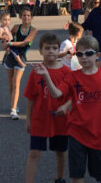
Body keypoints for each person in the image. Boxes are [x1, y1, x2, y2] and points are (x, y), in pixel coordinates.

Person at [32, 36, 101, 183]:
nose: (84, 57)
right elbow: (57, 93)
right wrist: (46, 76)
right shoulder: (73, 77)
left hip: (99, 134)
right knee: (77, 175)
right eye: (79, 54)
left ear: (97, 55)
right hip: (76, 132)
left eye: (88, 53)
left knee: (98, 173)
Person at [24, 34, 72, 183]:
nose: (51, 51)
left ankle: (60, 178)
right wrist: (28, 119)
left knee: (60, 150)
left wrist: (66, 106)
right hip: (40, 118)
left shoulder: (66, 72)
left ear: (59, 50)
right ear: (40, 50)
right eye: (47, 48)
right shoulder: (36, 71)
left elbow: (73, 96)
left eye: (54, 48)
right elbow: (31, 97)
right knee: (34, 153)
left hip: (60, 119)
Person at [4, 7, 38, 120]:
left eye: (28, 15)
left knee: (16, 83)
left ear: (32, 17)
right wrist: (5, 41)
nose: (26, 17)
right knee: (10, 83)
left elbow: (25, 43)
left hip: (21, 58)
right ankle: (14, 104)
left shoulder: (33, 30)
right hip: (10, 56)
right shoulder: (16, 27)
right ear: (20, 17)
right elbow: (7, 39)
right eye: (24, 15)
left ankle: (13, 111)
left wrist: (11, 44)